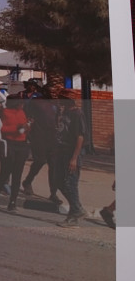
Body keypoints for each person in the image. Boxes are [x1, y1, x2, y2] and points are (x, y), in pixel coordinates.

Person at [0, 96, 30, 212]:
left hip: (21, 144)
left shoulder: (22, 112)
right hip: (9, 143)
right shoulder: (4, 112)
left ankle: (12, 202)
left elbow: (24, 128)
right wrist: (17, 128)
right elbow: (1, 129)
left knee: (17, 175)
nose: (22, 105)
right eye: (20, 102)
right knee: (5, 172)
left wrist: (27, 127)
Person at [53, 94, 87, 227]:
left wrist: (74, 158)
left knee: (70, 183)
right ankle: (77, 209)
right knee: (59, 181)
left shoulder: (77, 114)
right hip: (62, 151)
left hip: (72, 152)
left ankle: (75, 212)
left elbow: (80, 137)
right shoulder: (64, 113)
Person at [21, 92, 60, 202]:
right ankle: (28, 181)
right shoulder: (35, 103)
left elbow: (56, 121)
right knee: (40, 161)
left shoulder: (55, 105)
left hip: (52, 137)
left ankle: (53, 193)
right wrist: (29, 134)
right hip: (39, 136)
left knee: (53, 165)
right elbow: (28, 117)